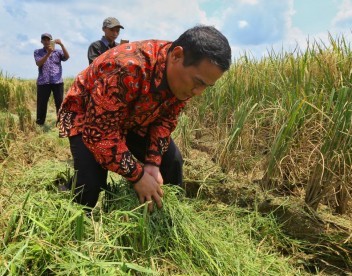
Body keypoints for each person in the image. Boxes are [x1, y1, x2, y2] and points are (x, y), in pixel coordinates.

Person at [58, 25, 231, 212]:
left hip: (136, 116)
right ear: (177, 55)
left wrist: (152, 164)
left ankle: (170, 213)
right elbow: (100, 134)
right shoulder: (126, 68)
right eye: (198, 83)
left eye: (207, 86)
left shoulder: (183, 80)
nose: (198, 92)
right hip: (89, 116)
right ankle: (70, 196)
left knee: (171, 162)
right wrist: (137, 176)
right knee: (91, 185)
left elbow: (165, 120)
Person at [33, 33, 70, 126]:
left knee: (60, 103)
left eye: (48, 39)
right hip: (43, 82)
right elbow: (39, 63)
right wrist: (48, 53)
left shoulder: (58, 52)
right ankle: (40, 123)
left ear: (51, 41)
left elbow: (67, 57)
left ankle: (61, 123)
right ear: (41, 41)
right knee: (42, 104)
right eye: (44, 40)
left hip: (57, 81)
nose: (46, 41)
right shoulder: (37, 52)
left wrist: (61, 44)